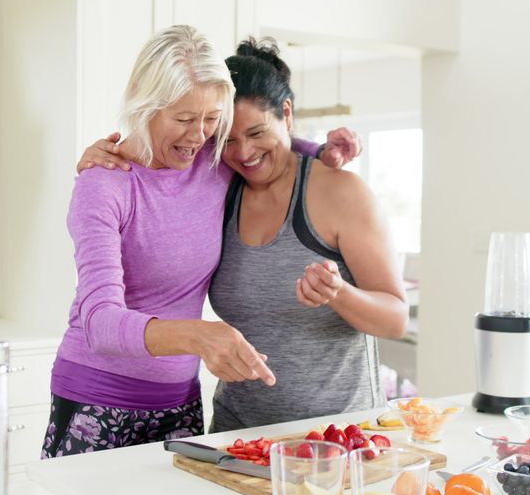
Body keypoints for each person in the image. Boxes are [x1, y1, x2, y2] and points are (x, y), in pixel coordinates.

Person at [42, 25, 359, 459]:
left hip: (180, 403)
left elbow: (262, 146)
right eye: (185, 119)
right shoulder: (106, 185)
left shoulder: (212, 164)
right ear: (144, 100)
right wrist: (199, 336)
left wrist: (319, 149)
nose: (199, 135)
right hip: (97, 400)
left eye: (212, 119)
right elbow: (99, 321)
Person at [206, 38, 408, 431]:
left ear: (286, 113)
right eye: (226, 139)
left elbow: (396, 319)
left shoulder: (341, 192)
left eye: (257, 132)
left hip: (338, 439)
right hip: (238, 440)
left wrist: (339, 294)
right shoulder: (220, 190)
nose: (243, 152)